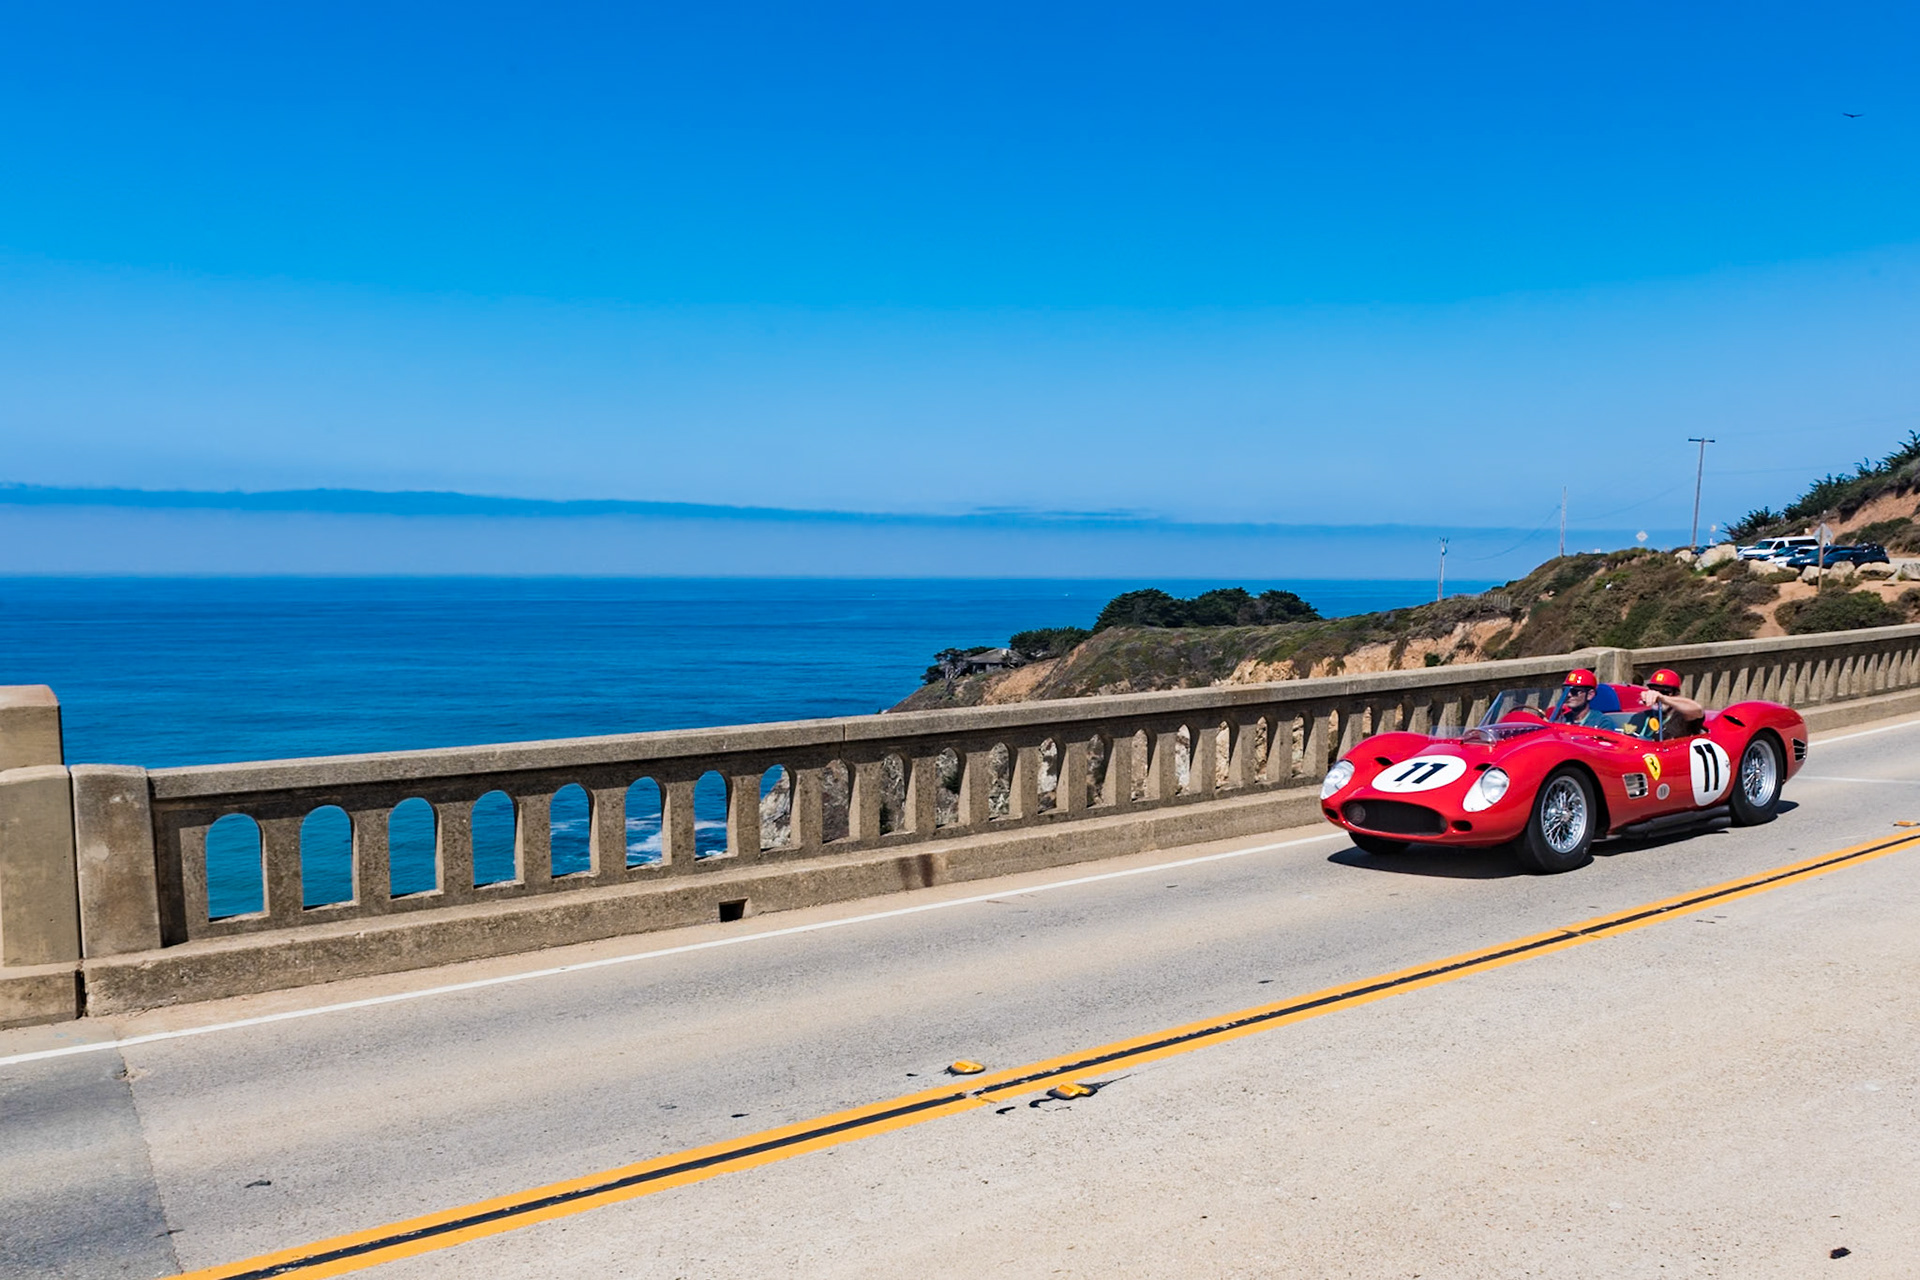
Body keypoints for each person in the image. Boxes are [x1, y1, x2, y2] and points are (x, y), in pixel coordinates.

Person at [1639, 667, 1706, 738]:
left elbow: (1698, 709)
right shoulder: (1645, 714)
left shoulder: (1683, 715)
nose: (1656, 697)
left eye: (1664, 692)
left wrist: (1662, 698)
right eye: (1654, 691)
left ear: (1676, 694)